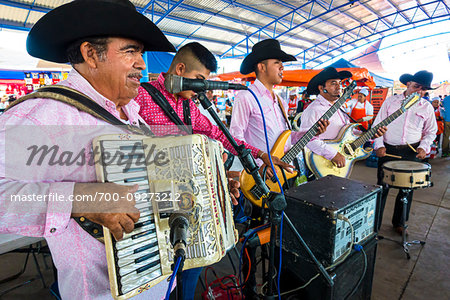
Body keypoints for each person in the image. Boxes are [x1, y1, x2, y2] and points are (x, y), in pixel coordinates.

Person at [0, 0, 182, 299]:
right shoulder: (44, 114)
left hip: (158, 280)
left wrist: (204, 183)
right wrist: (80, 199)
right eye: (130, 51)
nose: (141, 63)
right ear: (90, 54)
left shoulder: (132, 114)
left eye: (140, 53)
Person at [229, 39, 328, 299]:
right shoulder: (245, 97)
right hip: (258, 180)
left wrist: (309, 132)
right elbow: (234, 139)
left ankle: (277, 285)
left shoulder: (278, 100)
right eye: (278, 63)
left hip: (281, 177)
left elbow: (287, 137)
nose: (282, 68)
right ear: (261, 67)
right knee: (254, 238)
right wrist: (261, 162)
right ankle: (250, 289)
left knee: (279, 234)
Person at [134, 42, 291, 175]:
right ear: (180, 69)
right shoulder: (140, 96)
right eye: (199, 79)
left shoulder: (188, 106)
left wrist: (261, 154)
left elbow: (218, 134)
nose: (200, 88)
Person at [373, 70, 437, 234]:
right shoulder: (390, 102)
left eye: (423, 89)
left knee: (407, 190)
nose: (419, 92)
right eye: (416, 87)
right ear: (408, 84)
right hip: (388, 150)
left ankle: (399, 223)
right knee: (382, 188)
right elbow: (377, 125)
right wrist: (378, 145)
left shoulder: (427, 107)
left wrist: (424, 147)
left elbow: (431, 131)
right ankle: (375, 225)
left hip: (412, 152)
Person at [299, 67, 386, 169]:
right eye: (333, 83)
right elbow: (305, 139)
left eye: (339, 83)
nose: (338, 87)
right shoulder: (313, 110)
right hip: (321, 164)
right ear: (321, 88)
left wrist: (370, 135)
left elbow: (347, 133)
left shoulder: (339, 108)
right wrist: (333, 154)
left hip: (340, 161)